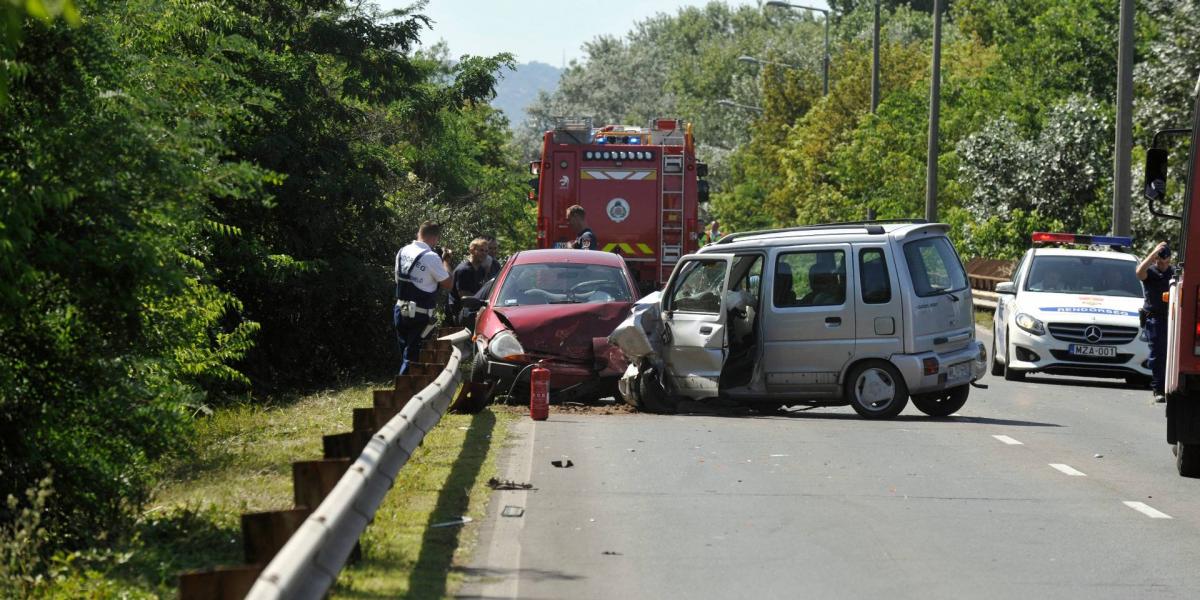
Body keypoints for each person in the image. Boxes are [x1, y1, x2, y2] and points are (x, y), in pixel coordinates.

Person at [394, 222, 454, 375]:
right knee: (414, 355)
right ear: (435, 238)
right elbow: (448, 284)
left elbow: (398, 279)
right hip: (420, 314)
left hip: (400, 309)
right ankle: (404, 393)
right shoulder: (432, 257)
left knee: (405, 352)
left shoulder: (402, 251)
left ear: (418, 233)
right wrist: (446, 260)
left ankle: (407, 387)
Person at [1137, 241, 1175, 403]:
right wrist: (1152, 253)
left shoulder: (1174, 273)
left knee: (1171, 355)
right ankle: (1158, 389)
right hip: (1155, 318)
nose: (1162, 265)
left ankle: (1171, 389)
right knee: (1158, 355)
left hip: (1172, 318)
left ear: (1169, 260)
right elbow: (1139, 272)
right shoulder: (1150, 272)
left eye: (1165, 262)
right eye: (1159, 261)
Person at [448, 237, 491, 324]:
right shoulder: (464, 270)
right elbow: (464, 298)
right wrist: (483, 300)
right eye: (481, 250)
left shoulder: (481, 269)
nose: (484, 254)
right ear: (471, 251)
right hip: (460, 315)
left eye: (486, 251)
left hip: (474, 311)